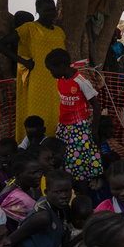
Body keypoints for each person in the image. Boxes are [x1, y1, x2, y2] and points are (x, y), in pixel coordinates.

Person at [0, 0, 67, 143]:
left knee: (58, 114)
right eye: (47, 10)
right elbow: (0, 44)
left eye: (53, 9)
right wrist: (24, 62)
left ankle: (57, 149)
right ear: (38, 10)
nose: (51, 13)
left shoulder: (59, 31)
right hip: (38, 82)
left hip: (59, 83)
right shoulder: (29, 28)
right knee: (38, 116)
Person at [45, 48, 103, 185]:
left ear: (61, 67)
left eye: (52, 70)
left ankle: (81, 190)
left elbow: (96, 106)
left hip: (79, 128)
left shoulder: (81, 82)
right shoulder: (61, 80)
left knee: (77, 161)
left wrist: (94, 131)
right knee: (64, 158)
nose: (51, 74)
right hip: (64, 126)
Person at [11, 169, 73, 247]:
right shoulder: (43, 217)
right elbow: (11, 240)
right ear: (46, 192)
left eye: (67, 191)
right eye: (58, 192)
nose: (64, 196)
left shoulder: (61, 209)